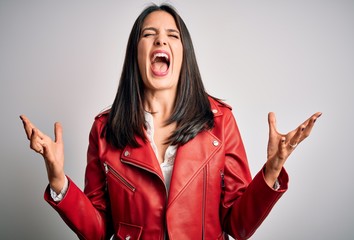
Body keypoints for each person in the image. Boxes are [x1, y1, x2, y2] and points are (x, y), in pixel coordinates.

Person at [20, 4, 321, 240]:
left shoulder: (220, 122)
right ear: (135, 54)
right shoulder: (104, 130)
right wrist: (59, 180)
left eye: (172, 35)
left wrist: (271, 170)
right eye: (149, 34)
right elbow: (98, 231)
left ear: (183, 54)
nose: (161, 38)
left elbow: (239, 226)